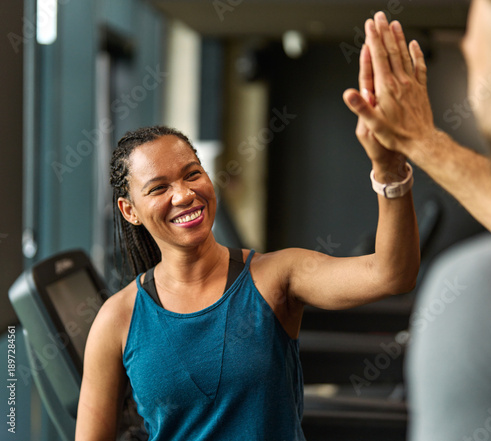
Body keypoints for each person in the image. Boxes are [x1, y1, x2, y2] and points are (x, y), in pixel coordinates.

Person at [75, 124, 419, 440]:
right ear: (129, 210)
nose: (183, 195)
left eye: (192, 174)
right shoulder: (116, 319)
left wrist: (389, 173)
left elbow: (392, 273)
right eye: (159, 188)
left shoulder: (278, 276)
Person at [343, 4, 491, 441]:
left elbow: (391, 274)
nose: (468, 45)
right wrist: (408, 150)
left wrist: (415, 143)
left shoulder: (478, 289)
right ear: (129, 209)